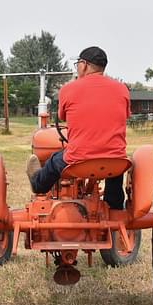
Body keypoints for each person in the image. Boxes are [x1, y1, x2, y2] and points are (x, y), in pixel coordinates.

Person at [26, 46, 131, 209]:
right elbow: (125, 114)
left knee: (54, 160)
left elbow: (63, 117)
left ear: (83, 64)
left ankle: (38, 185)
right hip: (114, 161)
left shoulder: (69, 89)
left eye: (77, 64)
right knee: (115, 162)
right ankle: (115, 206)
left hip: (79, 160)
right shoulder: (122, 89)